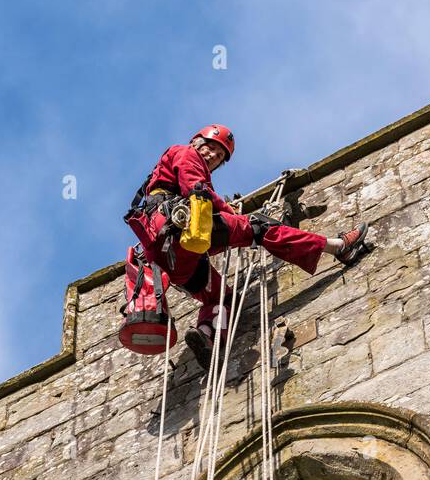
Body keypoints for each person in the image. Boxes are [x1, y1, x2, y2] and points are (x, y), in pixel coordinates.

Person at [124, 124, 371, 367]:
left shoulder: (162, 174)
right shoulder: (185, 152)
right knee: (260, 228)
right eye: (211, 148)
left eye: (219, 156)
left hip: (168, 257)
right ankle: (339, 246)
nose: (213, 156)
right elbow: (196, 188)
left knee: (222, 297)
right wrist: (227, 210)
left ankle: (207, 337)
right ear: (197, 142)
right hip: (180, 229)